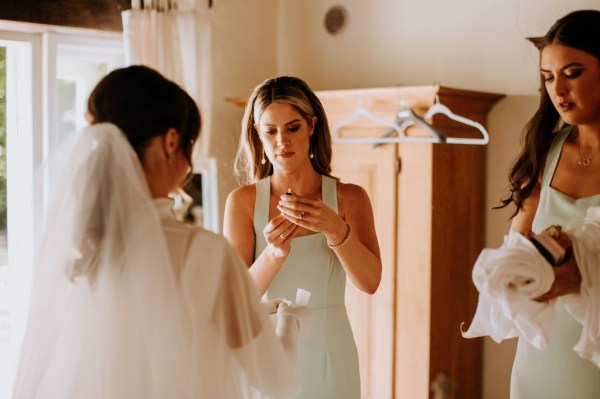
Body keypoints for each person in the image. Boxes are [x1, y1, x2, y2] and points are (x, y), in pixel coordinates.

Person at [10, 65, 310, 399]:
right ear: (171, 141)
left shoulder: (79, 248)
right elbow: (274, 377)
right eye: (190, 142)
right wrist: (292, 322)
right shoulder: (203, 251)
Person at [223, 76, 382, 399]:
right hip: (267, 353)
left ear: (311, 126)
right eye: (270, 131)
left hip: (331, 350)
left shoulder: (350, 198)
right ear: (258, 133)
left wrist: (336, 230)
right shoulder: (242, 202)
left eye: (292, 128)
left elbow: (370, 283)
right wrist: (273, 255)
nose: (282, 141)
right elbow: (236, 299)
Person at [496, 9, 600, 399]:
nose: (558, 90)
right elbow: (515, 255)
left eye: (573, 73)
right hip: (542, 358)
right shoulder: (544, 154)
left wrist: (587, 275)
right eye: (548, 77)